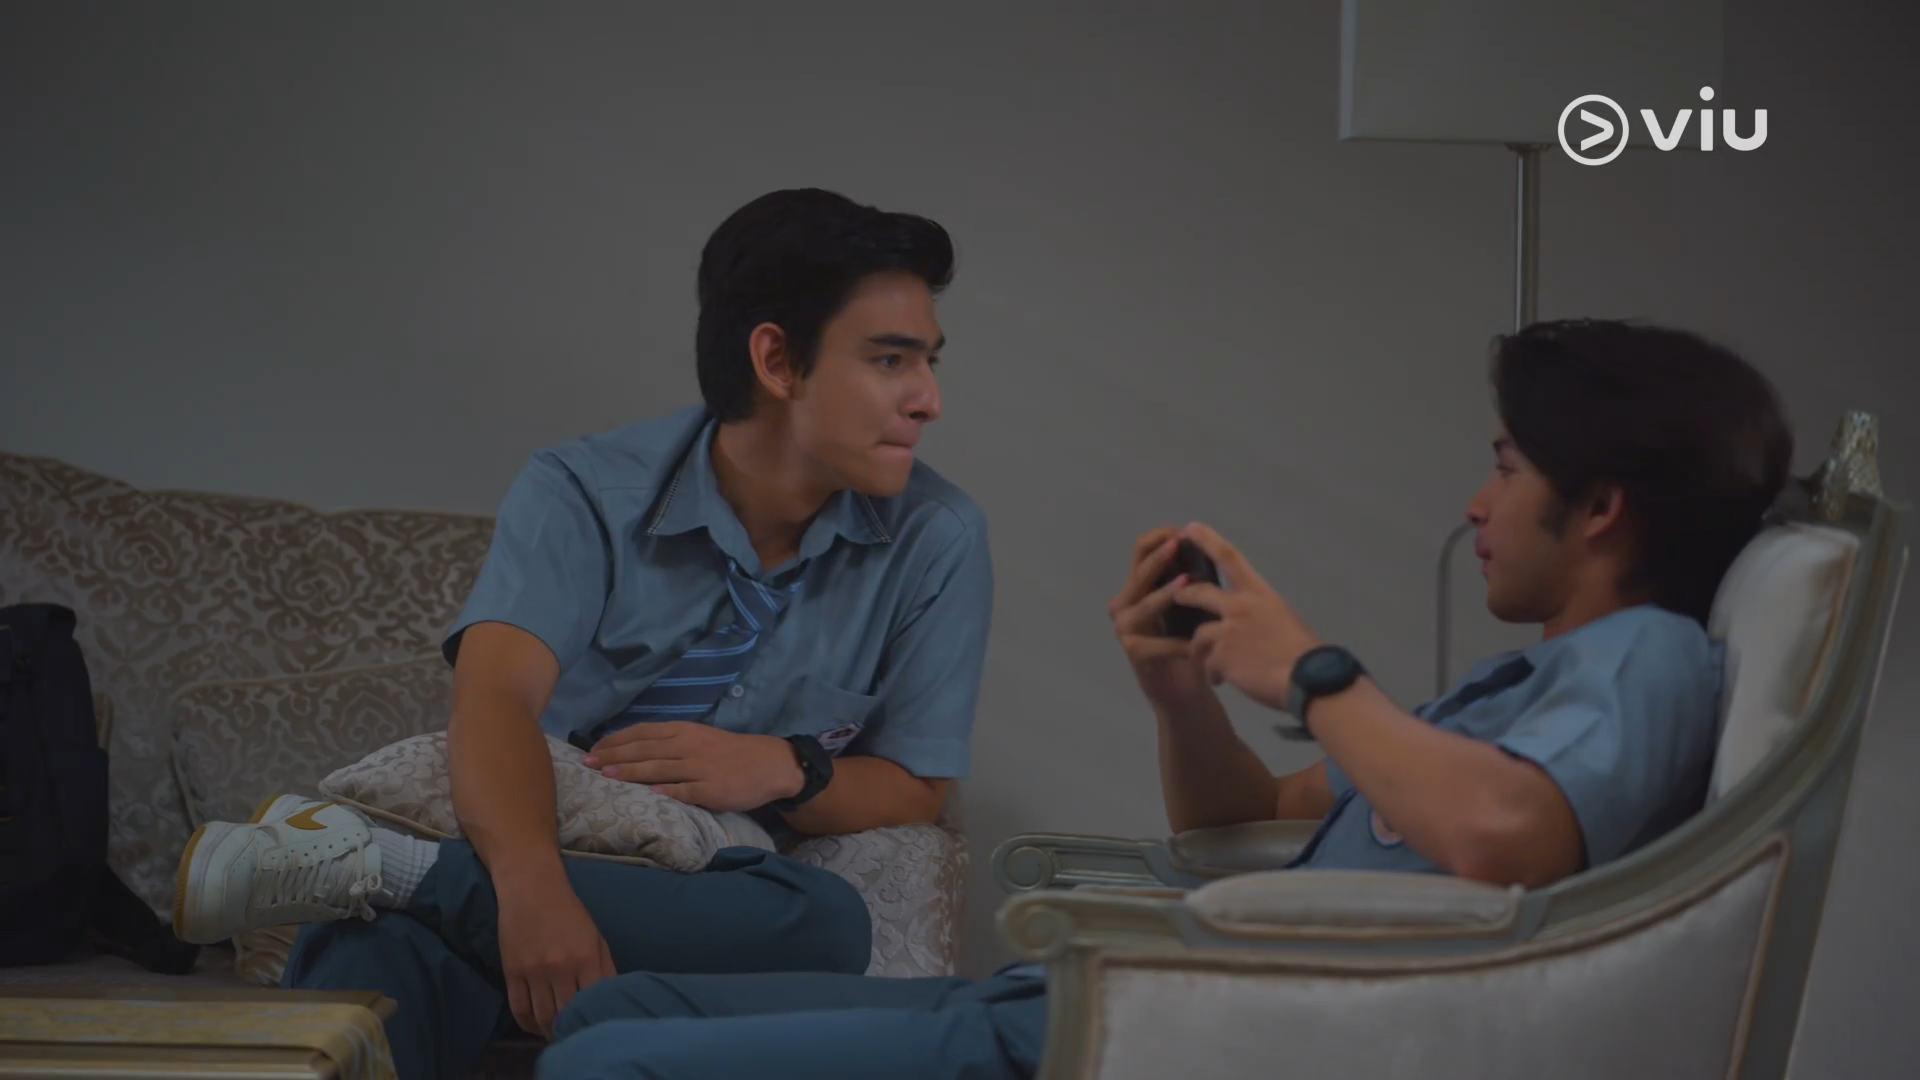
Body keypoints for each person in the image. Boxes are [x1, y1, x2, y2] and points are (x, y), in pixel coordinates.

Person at [521, 317, 1795, 1080]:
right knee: (621, 1008)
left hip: (1174, 1038)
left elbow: (1506, 837)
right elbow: (1240, 822)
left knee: (613, 1064)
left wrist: (1313, 672)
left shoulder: (1647, 660)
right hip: (1094, 1001)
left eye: (1507, 467)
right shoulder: (1518, 688)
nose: (1476, 503)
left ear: (1601, 505)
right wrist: (1184, 697)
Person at [169, 188, 994, 1080]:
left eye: (928, 361)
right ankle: (411, 893)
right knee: (371, 950)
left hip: (709, 911)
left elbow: (916, 787)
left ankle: (390, 868)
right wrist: (531, 892)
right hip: (545, 847)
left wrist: (784, 766)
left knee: (826, 923)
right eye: (890, 360)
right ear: (777, 360)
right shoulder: (584, 491)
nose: (929, 399)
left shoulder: (936, 539)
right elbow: (495, 701)